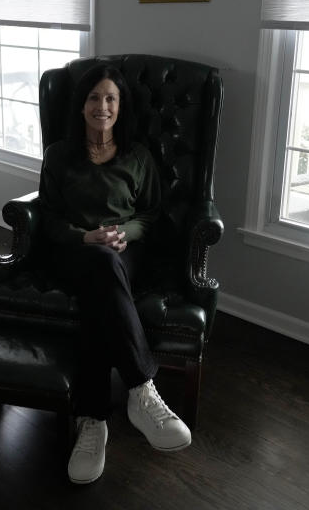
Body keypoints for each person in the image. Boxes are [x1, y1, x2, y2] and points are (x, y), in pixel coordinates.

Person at [38, 64, 191, 485]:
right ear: (81, 105)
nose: (101, 106)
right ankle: (141, 390)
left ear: (121, 106)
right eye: (93, 98)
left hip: (124, 255)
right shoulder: (58, 156)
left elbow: (151, 215)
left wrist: (123, 233)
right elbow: (48, 220)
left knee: (101, 282)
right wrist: (86, 237)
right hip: (75, 251)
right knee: (98, 270)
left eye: (111, 98)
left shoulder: (137, 156)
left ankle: (92, 421)